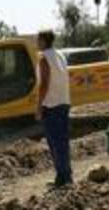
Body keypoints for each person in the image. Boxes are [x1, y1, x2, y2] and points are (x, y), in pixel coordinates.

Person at [35, 29, 72, 187]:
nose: (36, 43)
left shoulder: (44, 59)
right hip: (63, 102)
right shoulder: (60, 55)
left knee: (55, 143)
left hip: (51, 105)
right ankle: (65, 176)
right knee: (62, 141)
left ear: (43, 41)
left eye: (38, 40)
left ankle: (63, 178)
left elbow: (44, 84)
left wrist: (38, 106)